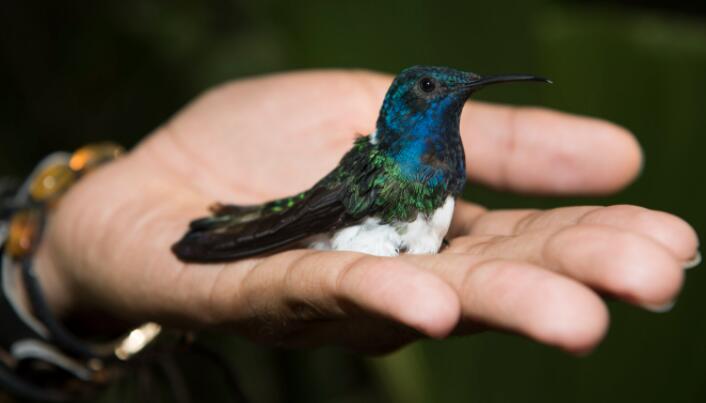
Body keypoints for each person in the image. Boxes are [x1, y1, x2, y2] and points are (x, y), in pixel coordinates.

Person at [31, 69, 699, 356]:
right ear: (410, 104)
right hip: (346, 225)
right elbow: (303, 217)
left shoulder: (442, 156)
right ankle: (223, 225)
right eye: (436, 87)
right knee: (265, 222)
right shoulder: (381, 167)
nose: (451, 92)